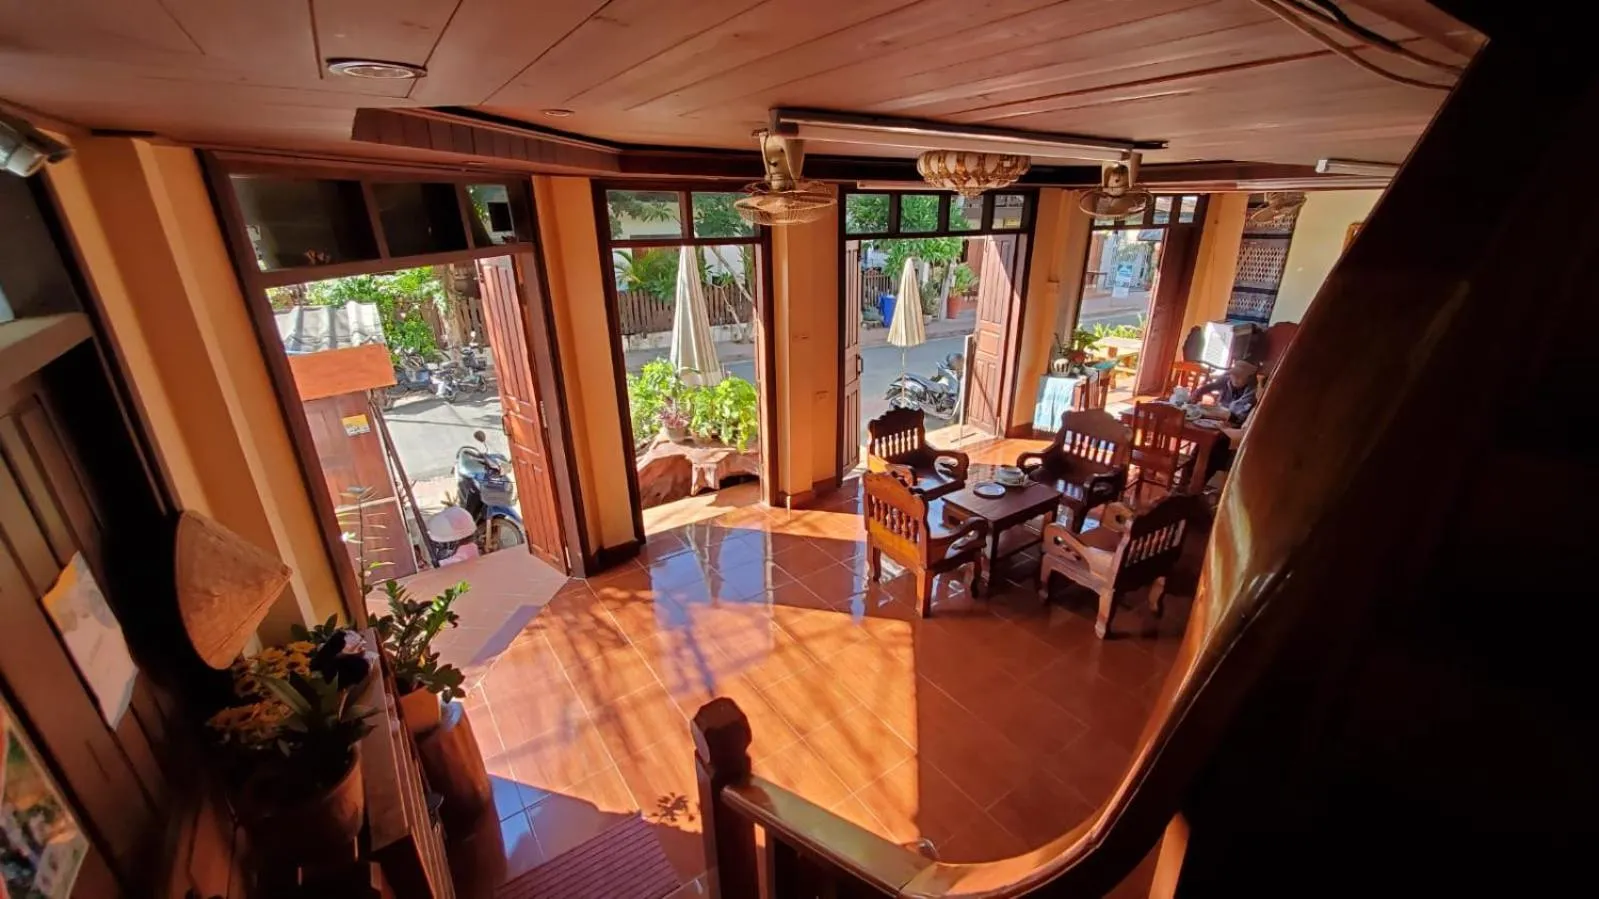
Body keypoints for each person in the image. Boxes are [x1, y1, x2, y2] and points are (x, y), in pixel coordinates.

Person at [1195, 360, 1260, 426]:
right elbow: (1213, 385)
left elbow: (1239, 418)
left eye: (1240, 376)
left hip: (1234, 423)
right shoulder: (1226, 379)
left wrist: (1222, 413)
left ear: (1249, 379)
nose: (1235, 378)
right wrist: (1199, 392)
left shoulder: (1253, 391)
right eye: (1234, 374)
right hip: (1219, 417)